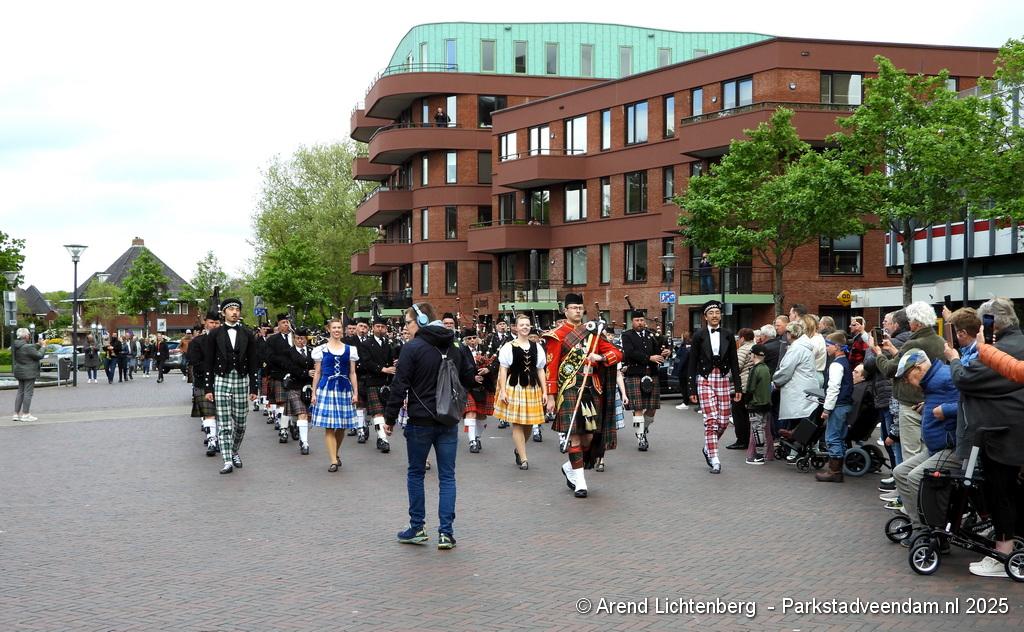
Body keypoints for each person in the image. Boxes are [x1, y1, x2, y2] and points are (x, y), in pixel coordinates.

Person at [384, 303, 476, 549]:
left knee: (416, 473)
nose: (406, 327)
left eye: (408, 322)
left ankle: (417, 527)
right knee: (447, 476)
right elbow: (469, 378)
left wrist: (390, 418)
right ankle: (446, 533)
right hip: (448, 419)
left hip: (420, 420)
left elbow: (399, 385)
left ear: (422, 320)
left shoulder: (412, 348)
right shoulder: (455, 346)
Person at [948, 297, 1024, 578]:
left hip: (1002, 435)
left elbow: (966, 378)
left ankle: (1003, 556)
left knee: (1001, 494)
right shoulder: (1018, 343)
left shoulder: (1001, 349)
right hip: (1013, 432)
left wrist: (954, 359)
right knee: (1013, 494)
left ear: (991, 324)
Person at [544, 294, 623, 497]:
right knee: (575, 436)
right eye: (573, 307)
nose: (577, 311)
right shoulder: (556, 335)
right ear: (565, 311)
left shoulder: (593, 332)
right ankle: (580, 483)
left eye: (580, 307)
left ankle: (570, 467)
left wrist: (600, 357)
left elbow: (617, 353)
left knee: (589, 437)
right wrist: (551, 396)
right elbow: (551, 368)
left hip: (590, 389)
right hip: (569, 389)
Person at [890, 349, 960, 542]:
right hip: (938, 448)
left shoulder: (945, 377)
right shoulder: (933, 380)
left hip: (953, 448)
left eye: (906, 377)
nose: (906, 382)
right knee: (900, 472)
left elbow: (970, 403)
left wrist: (946, 410)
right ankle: (919, 527)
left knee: (915, 477)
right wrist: (927, 406)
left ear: (918, 368)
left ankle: (933, 533)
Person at [871, 301, 945, 461]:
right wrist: (893, 349)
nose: (909, 323)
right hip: (930, 400)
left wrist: (878, 354)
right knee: (926, 451)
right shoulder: (940, 341)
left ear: (917, 323)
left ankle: (908, 478)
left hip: (910, 402)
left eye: (911, 320)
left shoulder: (914, 343)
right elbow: (912, 363)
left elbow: (890, 369)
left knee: (911, 454)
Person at [203, 298, 259, 475]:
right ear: (224, 313)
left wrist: (254, 387)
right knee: (224, 423)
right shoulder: (214, 334)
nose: (235, 312)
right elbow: (208, 361)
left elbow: (253, 361)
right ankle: (227, 460)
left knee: (241, 422)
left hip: (241, 379)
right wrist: (208, 388)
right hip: (221, 379)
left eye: (237, 309)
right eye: (231, 309)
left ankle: (234, 450)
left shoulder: (248, 333)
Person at [686, 300, 742, 474]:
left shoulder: (728, 334)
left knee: (723, 421)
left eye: (717, 312)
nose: (715, 316)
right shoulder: (698, 335)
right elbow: (692, 362)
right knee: (711, 420)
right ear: (705, 317)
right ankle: (715, 459)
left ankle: (708, 447)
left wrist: (738, 387)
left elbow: (734, 362)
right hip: (704, 379)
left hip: (723, 379)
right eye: (711, 313)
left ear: (721, 315)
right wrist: (691, 389)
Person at [495, 315, 548, 470]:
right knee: (517, 423)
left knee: (529, 423)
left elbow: (540, 370)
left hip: (532, 387)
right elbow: (503, 369)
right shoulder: (508, 347)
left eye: (527, 325)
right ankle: (524, 458)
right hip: (515, 386)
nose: (525, 327)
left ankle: (519, 449)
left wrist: (545, 391)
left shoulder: (537, 347)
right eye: (522, 325)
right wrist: (503, 391)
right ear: (516, 327)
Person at [310, 319, 360, 470]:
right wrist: (313, 393)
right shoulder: (321, 349)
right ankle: (333, 460)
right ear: (329, 329)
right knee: (330, 426)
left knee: (342, 426)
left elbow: (352, 373)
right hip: (327, 388)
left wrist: (355, 393)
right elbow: (317, 372)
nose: (337, 330)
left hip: (344, 390)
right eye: (334, 327)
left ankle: (335, 453)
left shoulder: (350, 349)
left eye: (339, 327)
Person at [620, 310, 665, 451]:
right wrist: (649, 358)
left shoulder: (651, 335)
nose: (640, 323)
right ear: (632, 321)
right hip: (635, 374)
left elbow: (657, 352)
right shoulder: (627, 335)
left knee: (652, 409)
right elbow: (629, 352)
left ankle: (642, 429)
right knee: (638, 408)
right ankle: (640, 438)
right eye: (637, 320)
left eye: (641, 320)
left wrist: (664, 354)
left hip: (652, 374)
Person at [772, 320, 819, 455]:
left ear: (790, 334)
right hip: (805, 386)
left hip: (797, 389)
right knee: (805, 420)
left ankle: (795, 452)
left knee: (797, 420)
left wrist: (775, 380)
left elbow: (786, 370)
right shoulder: (804, 347)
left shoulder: (796, 348)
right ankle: (806, 449)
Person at [815, 332, 855, 483]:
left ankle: (834, 471)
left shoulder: (836, 365)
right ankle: (837, 469)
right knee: (840, 436)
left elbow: (833, 388)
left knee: (832, 437)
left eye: (828, 345)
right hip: (845, 404)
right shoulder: (845, 362)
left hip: (838, 405)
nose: (826, 348)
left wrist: (826, 409)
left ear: (837, 346)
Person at [358, 316, 397, 454]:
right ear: (373, 328)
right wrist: (383, 369)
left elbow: (391, 360)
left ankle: (381, 437)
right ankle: (383, 439)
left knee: (384, 412)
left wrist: (394, 364)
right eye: (377, 326)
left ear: (386, 329)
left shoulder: (388, 344)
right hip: (373, 381)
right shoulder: (366, 344)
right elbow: (366, 362)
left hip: (386, 383)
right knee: (378, 412)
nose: (380, 329)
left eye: (383, 327)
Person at [459, 328, 496, 454]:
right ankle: (472, 442)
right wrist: (472, 377)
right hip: (468, 386)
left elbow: (496, 363)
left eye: (474, 337)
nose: (472, 340)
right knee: (471, 412)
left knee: (481, 416)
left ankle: (477, 437)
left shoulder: (486, 349)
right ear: (465, 340)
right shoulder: (461, 351)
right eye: (469, 338)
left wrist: (488, 369)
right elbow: (459, 369)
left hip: (484, 386)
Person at [189, 310, 221, 456]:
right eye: (211, 322)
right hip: (203, 382)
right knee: (209, 414)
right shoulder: (197, 342)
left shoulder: (226, 341)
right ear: (205, 323)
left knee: (222, 414)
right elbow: (194, 362)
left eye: (216, 323)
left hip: (223, 381)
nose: (214, 325)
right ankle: (212, 441)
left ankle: (219, 438)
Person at [283, 327, 316, 455]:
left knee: (308, 417)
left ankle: (295, 425)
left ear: (306, 339)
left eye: (302, 338)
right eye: (297, 338)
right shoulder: (288, 352)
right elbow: (290, 367)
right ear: (294, 339)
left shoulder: (313, 351)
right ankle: (305, 442)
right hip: (295, 386)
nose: (300, 341)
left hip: (310, 387)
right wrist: (306, 373)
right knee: (302, 414)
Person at [265, 313, 296, 444]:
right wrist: (285, 363)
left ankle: (293, 425)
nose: (286, 324)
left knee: (295, 403)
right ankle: (283, 429)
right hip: (279, 374)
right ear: (278, 325)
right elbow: (269, 357)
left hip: (296, 375)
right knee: (282, 403)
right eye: (283, 322)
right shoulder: (272, 340)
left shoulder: (296, 337)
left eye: (288, 322)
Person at [726, 328, 756, 450]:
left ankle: (742, 440)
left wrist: (726, 377)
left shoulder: (743, 350)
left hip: (741, 386)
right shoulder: (754, 348)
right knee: (747, 415)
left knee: (739, 415)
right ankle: (748, 439)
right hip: (750, 386)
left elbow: (735, 368)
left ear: (742, 338)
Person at [744, 344, 773, 464]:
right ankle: (764, 453)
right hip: (766, 403)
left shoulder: (755, 370)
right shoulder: (766, 368)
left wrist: (746, 401)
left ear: (754, 355)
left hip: (756, 403)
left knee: (757, 429)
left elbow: (750, 388)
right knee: (763, 428)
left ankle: (759, 455)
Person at [12, 328, 43, 422]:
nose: (29, 336)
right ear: (25, 336)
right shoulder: (27, 347)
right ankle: (26, 414)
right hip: (29, 372)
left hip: (19, 372)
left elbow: (29, 348)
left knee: (20, 392)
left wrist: (38, 344)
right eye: (29, 334)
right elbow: (39, 355)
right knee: (28, 393)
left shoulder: (16, 345)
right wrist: (43, 347)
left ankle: (16, 414)